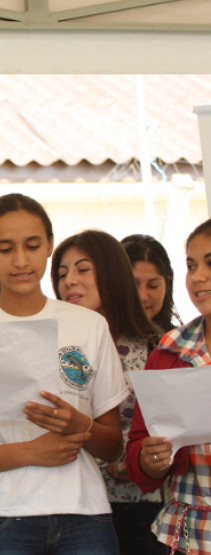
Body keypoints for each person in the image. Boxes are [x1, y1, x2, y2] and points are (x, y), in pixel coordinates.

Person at [0, 193, 127, 555]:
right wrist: (31, 452)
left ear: (49, 245)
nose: (20, 261)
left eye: (32, 246)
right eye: (4, 248)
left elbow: (112, 446)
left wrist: (81, 426)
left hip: (85, 514)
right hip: (2, 517)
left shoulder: (89, 326)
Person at [51, 229, 165, 555]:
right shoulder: (53, 345)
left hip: (140, 506)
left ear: (112, 272)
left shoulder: (156, 347)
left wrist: (136, 460)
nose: (69, 281)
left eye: (82, 269)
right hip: (70, 503)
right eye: (61, 274)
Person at [125, 218, 211, 554]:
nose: (198, 276)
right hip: (189, 537)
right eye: (191, 265)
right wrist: (150, 459)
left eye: (209, 263)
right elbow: (139, 454)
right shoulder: (168, 351)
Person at [122, 234, 181, 334]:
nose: (143, 296)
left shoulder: (178, 342)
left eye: (153, 285)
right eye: (133, 285)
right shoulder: (96, 334)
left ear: (167, 284)